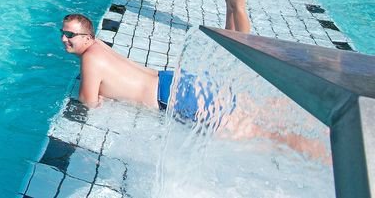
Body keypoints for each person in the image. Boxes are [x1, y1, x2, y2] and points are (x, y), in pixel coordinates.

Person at [60, 13, 330, 160]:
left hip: (171, 96)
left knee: (257, 135)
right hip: (173, 80)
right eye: (63, 33)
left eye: (70, 34)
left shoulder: (90, 59)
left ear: (87, 37)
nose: (64, 38)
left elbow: (89, 102)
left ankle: (324, 154)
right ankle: (316, 120)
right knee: (248, 110)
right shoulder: (99, 45)